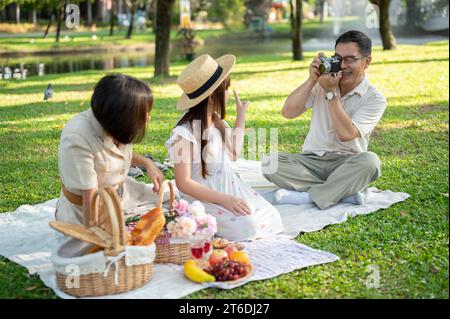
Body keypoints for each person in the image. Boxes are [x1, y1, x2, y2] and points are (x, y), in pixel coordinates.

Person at [262, 30, 386, 210]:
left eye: (350, 59)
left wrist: (331, 91)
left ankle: (309, 197)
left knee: (370, 162)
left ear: (367, 62)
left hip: (347, 162)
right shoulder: (323, 82)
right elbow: (288, 112)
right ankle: (341, 192)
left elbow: (346, 134)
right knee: (269, 163)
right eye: (337, 58)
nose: (342, 65)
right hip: (311, 160)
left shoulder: (374, 98)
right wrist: (311, 79)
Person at [165, 54, 284, 241]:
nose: (228, 94)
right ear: (213, 96)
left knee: (272, 216)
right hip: (205, 199)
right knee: (248, 227)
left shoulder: (218, 124)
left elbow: (234, 153)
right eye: (226, 89)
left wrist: (241, 116)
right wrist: (225, 200)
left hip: (230, 190)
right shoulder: (184, 134)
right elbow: (183, 182)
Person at [55, 74, 164, 226]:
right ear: (121, 116)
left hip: (121, 195)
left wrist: (147, 163)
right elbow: (91, 204)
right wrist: (101, 238)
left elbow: (114, 154)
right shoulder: (77, 138)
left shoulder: (114, 125)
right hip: (85, 213)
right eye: (142, 113)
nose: (147, 119)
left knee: (169, 209)